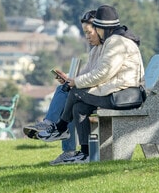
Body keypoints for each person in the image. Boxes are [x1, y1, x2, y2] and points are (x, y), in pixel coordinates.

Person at [37, 4, 145, 164]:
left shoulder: (116, 42)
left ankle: (60, 128)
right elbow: (96, 73)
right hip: (118, 92)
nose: (96, 32)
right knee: (79, 107)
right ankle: (85, 153)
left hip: (124, 95)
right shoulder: (112, 41)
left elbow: (103, 73)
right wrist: (73, 81)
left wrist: (77, 83)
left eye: (97, 28)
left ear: (103, 28)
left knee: (76, 93)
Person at [23, 9, 102, 165]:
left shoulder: (106, 50)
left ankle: (54, 128)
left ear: (99, 29)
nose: (87, 36)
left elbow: (100, 75)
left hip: (103, 94)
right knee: (67, 94)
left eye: (89, 32)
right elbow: (87, 73)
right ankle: (62, 140)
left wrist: (75, 82)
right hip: (93, 91)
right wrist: (69, 80)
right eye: (85, 33)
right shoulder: (95, 50)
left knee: (68, 94)